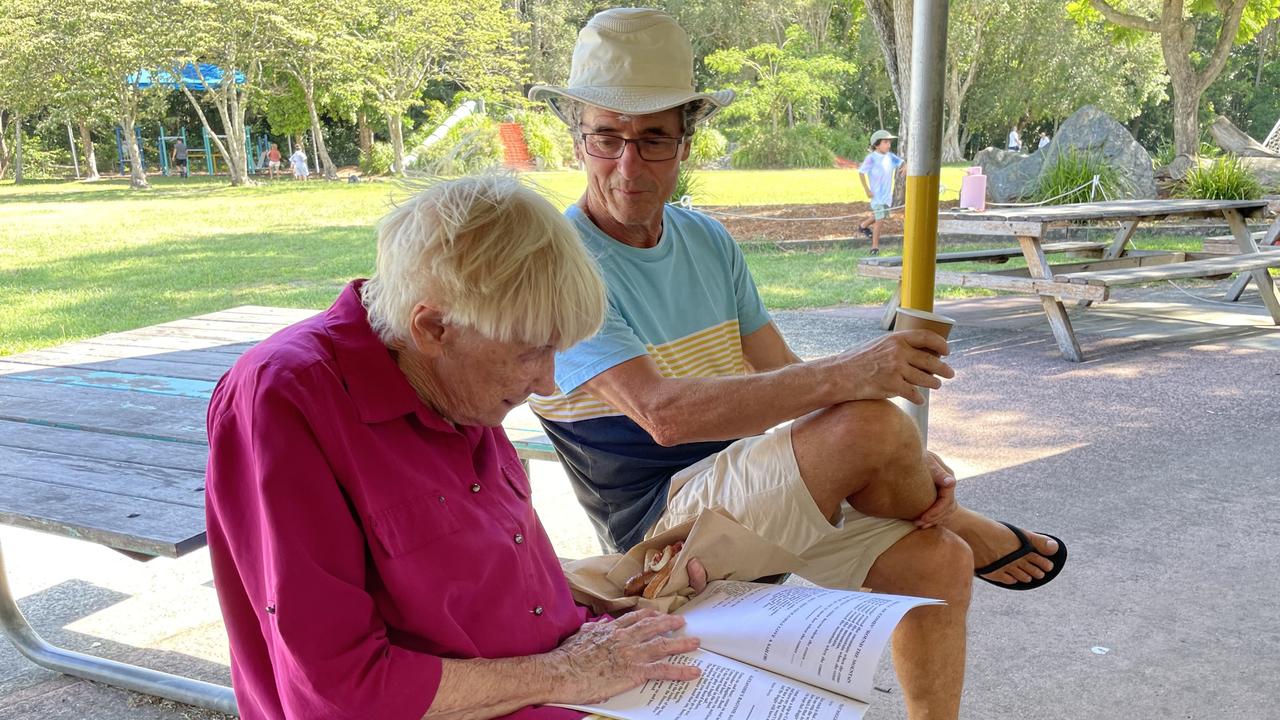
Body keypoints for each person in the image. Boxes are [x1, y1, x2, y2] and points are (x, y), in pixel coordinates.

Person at [529, 9, 1067, 719]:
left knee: (935, 558)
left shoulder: (706, 240)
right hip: (658, 530)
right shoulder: (558, 263)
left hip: (749, 489)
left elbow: (779, 370)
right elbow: (663, 416)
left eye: (652, 139)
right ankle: (968, 520)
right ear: (579, 140)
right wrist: (859, 386)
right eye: (606, 137)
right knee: (872, 425)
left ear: (685, 141)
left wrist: (904, 459)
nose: (627, 165)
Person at [205, 176, 708, 719]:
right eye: (531, 353)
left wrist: (629, 596)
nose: (548, 382)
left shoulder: (455, 381)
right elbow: (339, 689)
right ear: (433, 329)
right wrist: (568, 672)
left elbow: (483, 584)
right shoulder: (286, 397)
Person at [855, 129, 905, 256]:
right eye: (885, 142)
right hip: (876, 196)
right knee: (880, 220)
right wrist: (867, 190)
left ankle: (863, 226)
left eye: (889, 142)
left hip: (887, 196)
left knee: (880, 215)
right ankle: (875, 247)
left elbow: (902, 162)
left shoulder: (890, 156)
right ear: (877, 144)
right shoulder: (871, 158)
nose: (889, 145)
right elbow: (861, 173)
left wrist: (906, 166)